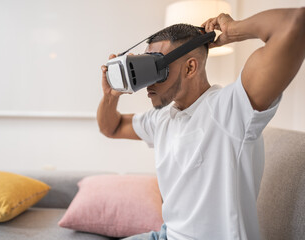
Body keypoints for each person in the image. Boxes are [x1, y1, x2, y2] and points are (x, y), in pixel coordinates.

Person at [97, 8, 305, 240]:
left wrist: (234, 31)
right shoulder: (163, 118)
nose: (148, 83)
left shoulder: (231, 109)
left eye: (157, 68)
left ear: (190, 67)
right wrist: (110, 95)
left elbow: (295, 24)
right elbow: (111, 128)